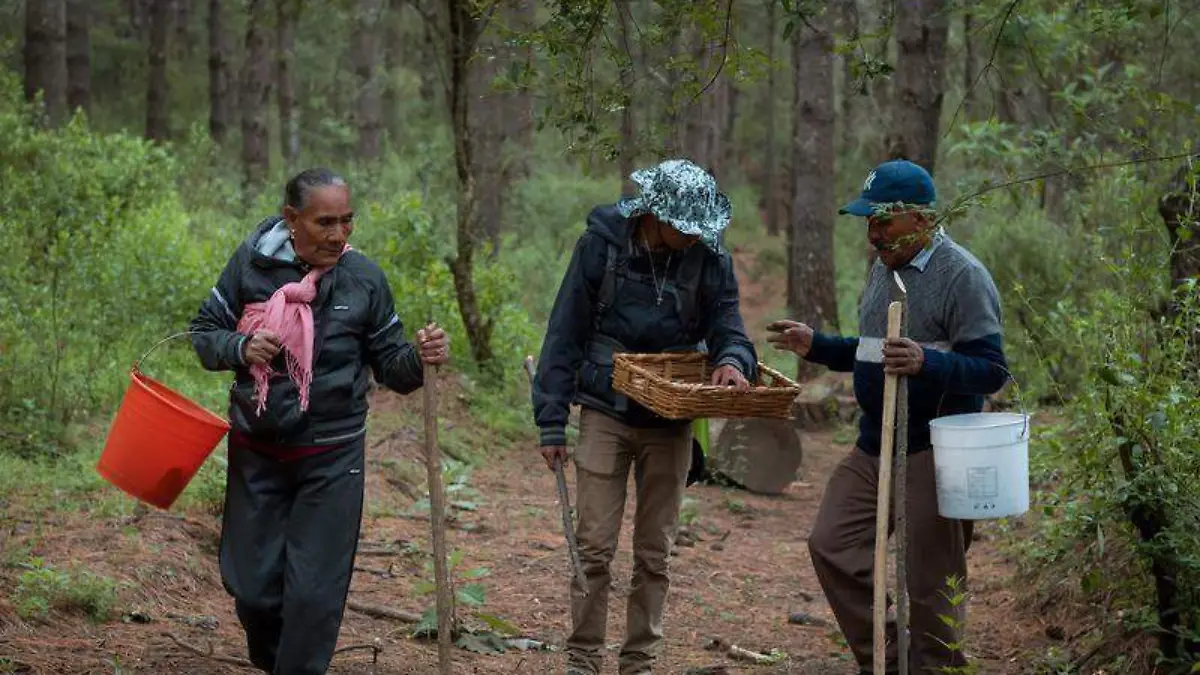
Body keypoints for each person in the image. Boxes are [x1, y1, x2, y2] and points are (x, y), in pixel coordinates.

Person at [189, 168, 450, 675]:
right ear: (292, 219)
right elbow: (204, 333)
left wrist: (420, 358)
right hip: (258, 448)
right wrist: (240, 346)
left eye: (347, 222)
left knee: (313, 595)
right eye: (325, 222)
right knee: (253, 588)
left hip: (333, 455)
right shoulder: (251, 264)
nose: (338, 235)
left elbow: (392, 365)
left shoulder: (364, 278)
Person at [768, 159, 1008, 673]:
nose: (873, 235)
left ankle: (932, 668)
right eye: (868, 223)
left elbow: (992, 371)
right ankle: (888, 657)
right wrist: (819, 346)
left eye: (883, 222)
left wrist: (929, 362)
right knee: (830, 543)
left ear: (920, 218)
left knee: (929, 583)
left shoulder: (961, 276)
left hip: (934, 451)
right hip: (874, 444)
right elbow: (873, 349)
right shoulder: (884, 269)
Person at [532, 158, 758, 675]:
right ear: (657, 214)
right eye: (685, 227)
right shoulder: (602, 246)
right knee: (593, 545)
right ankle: (583, 658)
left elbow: (729, 324)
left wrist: (731, 361)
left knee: (656, 552)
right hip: (604, 409)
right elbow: (564, 331)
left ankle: (640, 661)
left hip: (671, 419)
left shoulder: (710, 259)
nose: (694, 236)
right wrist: (551, 418)